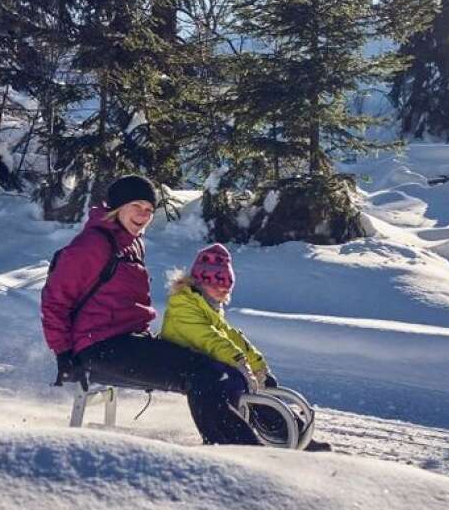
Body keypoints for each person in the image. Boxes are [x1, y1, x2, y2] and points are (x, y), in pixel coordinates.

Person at [41, 175, 260, 446]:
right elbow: (55, 301)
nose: (144, 216)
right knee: (203, 374)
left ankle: (262, 435)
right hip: (98, 348)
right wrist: (63, 354)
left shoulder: (130, 242)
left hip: (128, 340)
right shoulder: (92, 245)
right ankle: (238, 450)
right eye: (137, 206)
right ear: (117, 206)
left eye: (148, 210)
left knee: (217, 365)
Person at [160, 243, 331, 452]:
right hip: (180, 361)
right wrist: (241, 364)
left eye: (226, 285)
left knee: (253, 386)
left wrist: (258, 366)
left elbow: (231, 336)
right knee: (235, 382)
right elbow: (211, 339)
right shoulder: (183, 305)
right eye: (216, 283)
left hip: (204, 361)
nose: (222, 289)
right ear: (200, 281)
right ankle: (239, 443)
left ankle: (292, 432)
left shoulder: (208, 304)